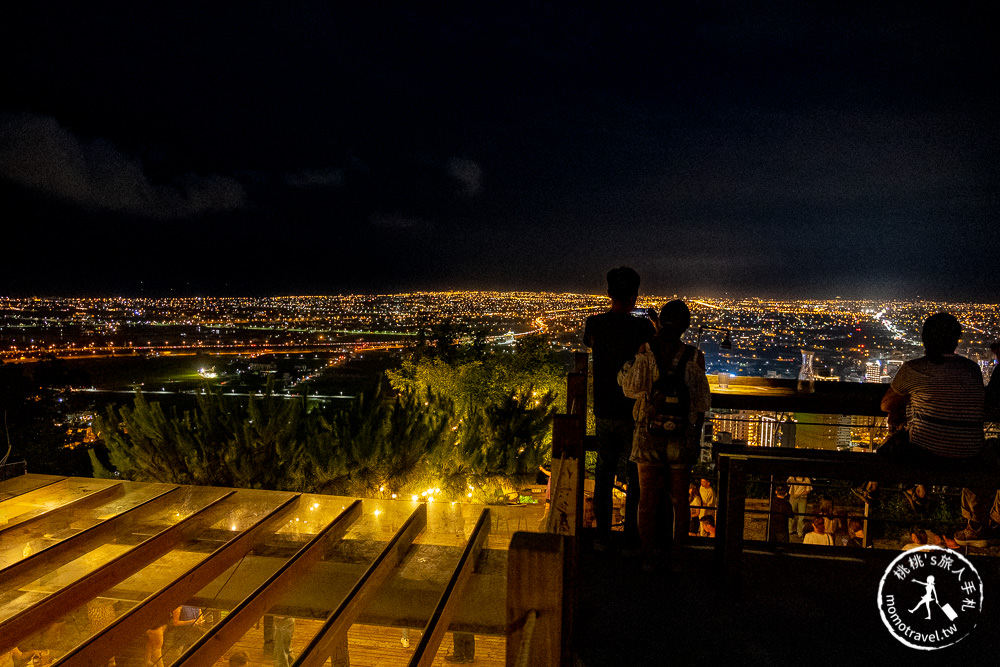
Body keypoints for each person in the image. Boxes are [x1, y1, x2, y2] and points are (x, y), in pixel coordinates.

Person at [879, 313, 992, 545]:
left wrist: (911, 401)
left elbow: (886, 404)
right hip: (969, 456)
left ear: (925, 340)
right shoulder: (972, 369)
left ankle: (907, 489)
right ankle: (972, 522)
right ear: (956, 341)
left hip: (926, 456)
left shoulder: (914, 368)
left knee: (896, 433)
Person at [619, 299, 710, 571]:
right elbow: (701, 402)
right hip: (682, 435)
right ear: (686, 326)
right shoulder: (694, 357)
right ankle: (678, 556)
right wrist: (694, 433)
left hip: (649, 430)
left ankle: (648, 555)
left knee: (647, 498)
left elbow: (631, 389)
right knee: (680, 500)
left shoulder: (647, 351)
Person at [584, 267, 655, 552]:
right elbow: (657, 348)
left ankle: (601, 536)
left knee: (604, 472)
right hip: (633, 410)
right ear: (635, 297)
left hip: (603, 408)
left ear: (608, 294)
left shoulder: (595, 324)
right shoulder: (642, 328)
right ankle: (630, 536)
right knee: (634, 474)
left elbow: (589, 343)